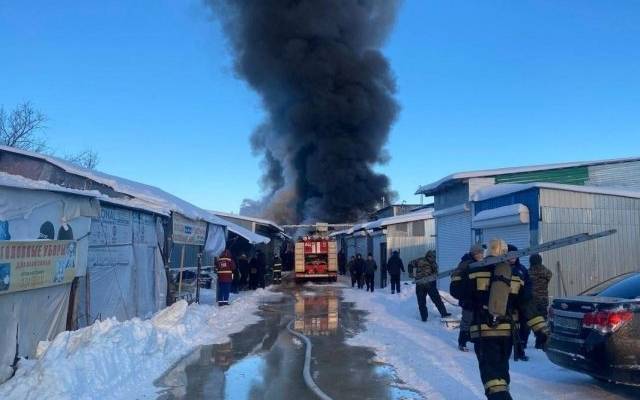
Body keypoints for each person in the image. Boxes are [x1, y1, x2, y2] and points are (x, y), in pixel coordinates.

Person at [462, 239, 548, 400]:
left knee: (491, 377)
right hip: (507, 332)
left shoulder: (474, 271)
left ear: (488, 252)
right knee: (501, 371)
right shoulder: (516, 275)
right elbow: (527, 304)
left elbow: (458, 292)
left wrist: (461, 270)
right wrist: (541, 331)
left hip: (483, 332)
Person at [451, 244, 485, 352]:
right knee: (467, 320)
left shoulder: (472, 263)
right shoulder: (467, 264)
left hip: (474, 297)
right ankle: (462, 342)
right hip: (468, 298)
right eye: (479, 253)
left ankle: (472, 339)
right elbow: (466, 283)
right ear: (474, 253)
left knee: (474, 320)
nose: (481, 255)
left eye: (482, 253)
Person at [507, 245, 531, 362]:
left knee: (525, 326)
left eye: (515, 255)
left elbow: (528, 285)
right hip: (507, 303)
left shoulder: (522, 269)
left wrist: (526, 297)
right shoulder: (501, 268)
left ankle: (521, 348)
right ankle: (508, 350)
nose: (513, 257)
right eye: (510, 255)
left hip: (521, 303)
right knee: (509, 328)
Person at [413, 250, 451, 322]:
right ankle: (424, 318)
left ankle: (444, 313)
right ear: (428, 256)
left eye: (434, 257)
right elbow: (410, 264)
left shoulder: (433, 263)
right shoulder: (419, 260)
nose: (433, 258)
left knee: (437, 300)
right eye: (432, 257)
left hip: (430, 284)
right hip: (420, 284)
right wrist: (414, 275)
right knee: (421, 302)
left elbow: (435, 275)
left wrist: (433, 281)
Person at [529, 254, 553, 318]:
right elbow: (549, 276)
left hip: (532, 300)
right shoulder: (547, 271)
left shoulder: (528, 272)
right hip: (543, 299)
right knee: (543, 319)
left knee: (533, 320)